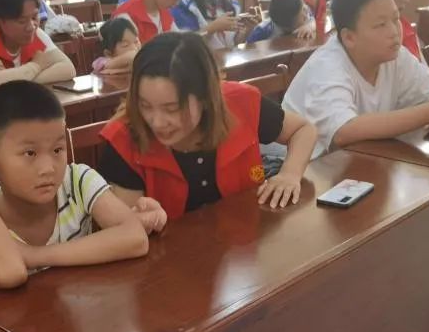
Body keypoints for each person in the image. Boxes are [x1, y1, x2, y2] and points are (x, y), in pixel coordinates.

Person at [0, 80, 153, 291]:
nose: (48, 168)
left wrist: (33, 255)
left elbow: (135, 238)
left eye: (57, 150)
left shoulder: (76, 180)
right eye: (30, 153)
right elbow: (9, 273)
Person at [98, 32, 317, 218]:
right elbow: (129, 232)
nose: (157, 121)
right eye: (145, 105)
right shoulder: (123, 139)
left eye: (172, 109)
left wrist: (290, 174)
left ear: (204, 97)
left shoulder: (239, 103)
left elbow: (303, 130)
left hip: (245, 242)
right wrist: (140, 221)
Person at [282, 0, 429, 159]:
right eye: (381, 25)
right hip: (302, 168)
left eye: (396, 19)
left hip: (361, 160)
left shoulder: (395, 55)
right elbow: (343, 131)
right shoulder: (327, 65)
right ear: (349, 37)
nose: (394, 31)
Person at [246, 0, 310, 44]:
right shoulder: (262, 31)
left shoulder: (306, 16)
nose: (306, 13)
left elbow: (312, 20)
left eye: (304, 8)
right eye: (303, 11)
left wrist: (309, 26)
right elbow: (249, 49)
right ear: (287, 27)